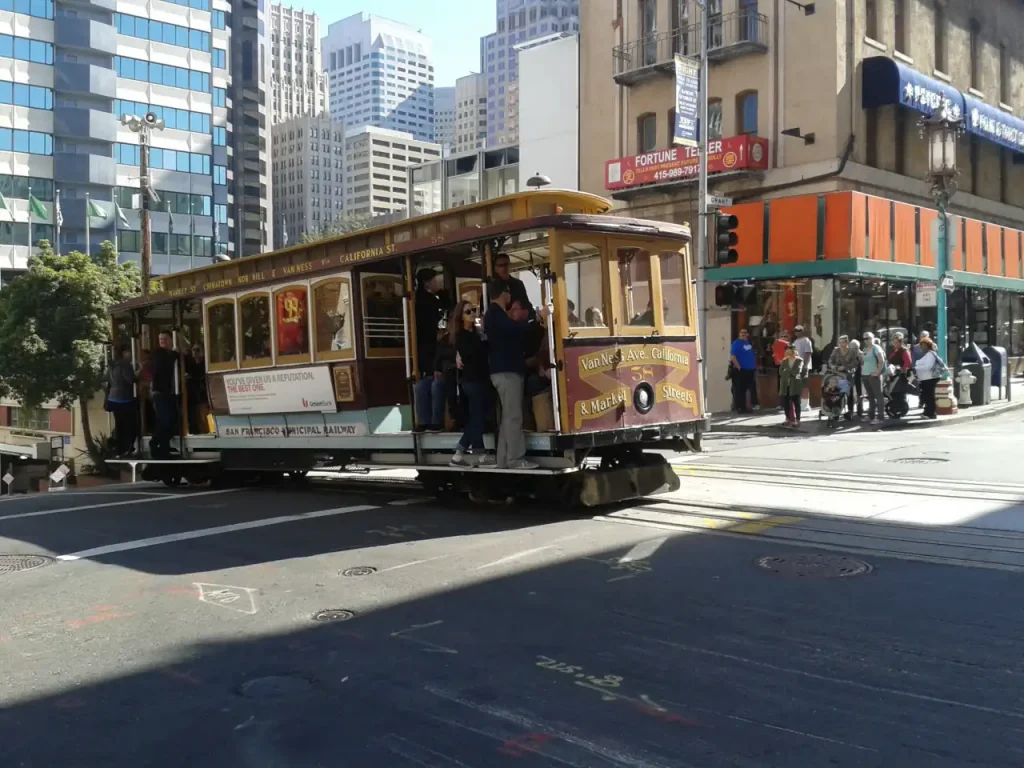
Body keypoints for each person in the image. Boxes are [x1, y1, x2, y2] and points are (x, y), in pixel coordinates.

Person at [484, 278, 538, 470]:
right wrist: (535, 318)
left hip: (503, 371)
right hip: (506, 371)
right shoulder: (495, 314)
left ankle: (503, 459)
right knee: (513, 416)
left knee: (508, 416)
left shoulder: (495, 314)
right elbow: (515, 330)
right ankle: (515, 459)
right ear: (503, 293)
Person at [450, 301, 493, 467]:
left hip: (481, 379)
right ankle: (480, 456)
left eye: (474, 310)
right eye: (468, 312)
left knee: (477, 418)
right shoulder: (461, 335)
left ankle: (458, 454)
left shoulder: (476, 332)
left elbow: (486, 349)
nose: (472, 314)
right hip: (472, 380)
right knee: (477, 419)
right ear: (461, 316)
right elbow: (474, 355)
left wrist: (482, 332)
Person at [414, 267, 451, 431]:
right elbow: (448, 306)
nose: (438, 282)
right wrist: (441, 292)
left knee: (425, 384)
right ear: (427, 283)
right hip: (429, 348)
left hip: (425, 347)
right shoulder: (427, 300)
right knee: (431, 383)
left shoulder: (419, 298)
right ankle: (436, 422)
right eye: (435, 280)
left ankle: (425, 422)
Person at [149, 331, 180, 458]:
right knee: (165, 419)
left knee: (173, 419)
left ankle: (164, 446)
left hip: (169, 392)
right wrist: (176, 353)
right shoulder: (158, 354)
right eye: (160, 339)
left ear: (171, 340)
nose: (162, 341)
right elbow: (165, 364)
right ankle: (155, 442)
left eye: (165, 339)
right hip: (160, 392)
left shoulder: (169, 353)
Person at [107, 344, 138, 457]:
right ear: (124, 353)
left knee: (120, 425)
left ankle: (119, 449)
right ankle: (128, 446)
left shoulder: (111, 365)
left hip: (113, 398)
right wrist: (139, 372)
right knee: (131, 424)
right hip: (125, 398)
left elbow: (107, 380)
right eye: (130, 352)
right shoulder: (125, 365)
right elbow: (131, 379)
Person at [828, 335, 861, 420]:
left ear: (847, 342)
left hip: (847, 374)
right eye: (840, 342)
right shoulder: (836, 350)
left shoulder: (851, 352)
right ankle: (837, 412)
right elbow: (831, 360)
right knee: (838, 393)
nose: (841, 344)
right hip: (837, 374)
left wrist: (845, 367)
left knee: (848, 393)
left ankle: (850, 412)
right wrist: (832, 365)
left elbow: (855, 363)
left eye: (843, 342)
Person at [914, 337, 946, 420]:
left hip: (930, 378)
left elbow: (928, 367)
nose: (921, 347)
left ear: (927, 346)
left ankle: (931, 413)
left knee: (929, 396)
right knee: (926, 395)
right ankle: (927, 411)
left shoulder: (930, 354)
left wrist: (917, 366)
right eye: (921, 346)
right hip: (925, 379)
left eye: (923, 346)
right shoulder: (927, 355)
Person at [729, 328, 759, 412]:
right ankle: (740, 408)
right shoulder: (736, 343)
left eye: (745, 332)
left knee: (750, 388)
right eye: (741, 332)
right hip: (741, 370)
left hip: (750, 370)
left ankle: (750, 406)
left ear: (748, 334)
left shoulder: (749, 343)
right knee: (740, 390)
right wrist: (739, 367)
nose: (743, 334)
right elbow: (733, 357)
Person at [861, 331, 887, 423]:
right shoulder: (864, 349)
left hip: (874, 375)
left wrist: (877, 372)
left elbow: (881, 360)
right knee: (870, 397)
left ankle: (880, 417)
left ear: (873, 338)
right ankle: (871, 415)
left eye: (868, 338)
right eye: (864, 338)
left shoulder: (876, 348)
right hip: (865, 375)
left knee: (878, 396)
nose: (866, 340)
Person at [778, 343, 806, 428]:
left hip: (795, 384)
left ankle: (798, 420)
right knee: (785, 402)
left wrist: (788, 371)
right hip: (785, 384)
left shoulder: (799, 360)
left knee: (796, 402)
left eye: (790, 349)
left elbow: (797, 371)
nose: (788, 351)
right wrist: (789, 372)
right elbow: (781, 372)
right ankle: (787, 418)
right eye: (787, 349)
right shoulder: (784, 361)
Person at [792, 325, 814, 411]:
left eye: (799, 330)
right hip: (795, 366)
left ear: (803, 331)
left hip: (803, 367)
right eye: (796, 330)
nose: (797, 332)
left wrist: (804, 366)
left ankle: (805, 405)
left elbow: (808, 353)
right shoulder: (795, 342)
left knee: (804, 385)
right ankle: (798, 403)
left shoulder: (806, 340)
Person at [848, 339, 864, 417]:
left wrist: (859, 356)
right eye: (853, 348)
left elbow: (863, 362)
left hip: (858, 375)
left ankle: (860, 409)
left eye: (856, 348)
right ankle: (850, 410)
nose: (854, 350)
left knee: (859, 393)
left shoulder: (860, 353)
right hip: (849, 376)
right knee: (850, 393)